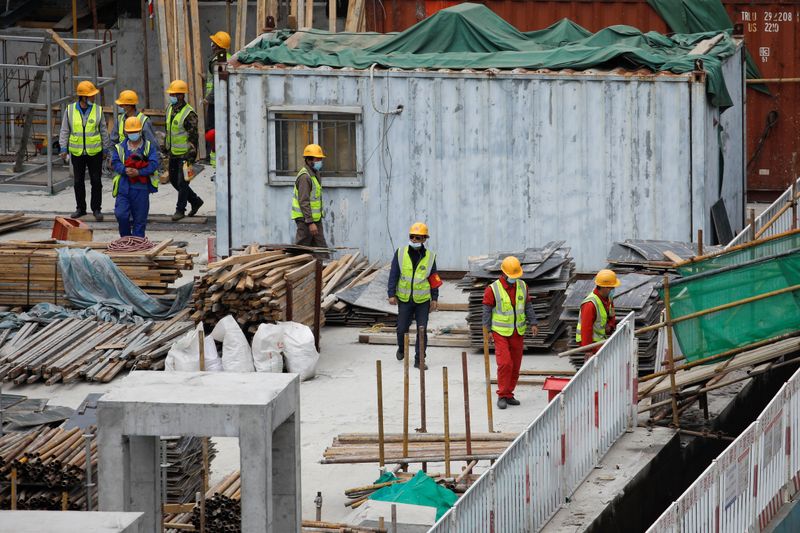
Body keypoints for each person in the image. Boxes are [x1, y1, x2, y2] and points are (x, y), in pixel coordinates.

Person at [482, 256, 539, 409]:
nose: (515, 279)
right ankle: (501, 394)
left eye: (517, 276)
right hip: (500, 332)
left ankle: (509, 394)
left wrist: (533, 322)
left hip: (517, 332)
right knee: (505, 364)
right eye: (512, 276)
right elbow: (486, 311)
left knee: (515, 366)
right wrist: (486, 330)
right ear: (504, 273)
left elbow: (528, 306)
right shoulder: (492, 289)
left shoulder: (522, 286)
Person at [387, 222, 442, 370]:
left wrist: (435, 298)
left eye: (418, 238)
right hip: (404, 299)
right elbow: (394, 274)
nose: (414, 240)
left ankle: (419, 360)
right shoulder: (400, 253)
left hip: (422, 301)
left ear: (424, 239)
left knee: (422, 330)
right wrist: (391, 293)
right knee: (401, 328)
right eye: (412, 237)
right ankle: (401, 348)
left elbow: (434, 279)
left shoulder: (430, 257)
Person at [58, 80, 111, 221]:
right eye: (91, 95)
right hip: (77, 153)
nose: (94, 98)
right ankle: (80, 208)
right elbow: (64, 130)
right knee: (78, 182)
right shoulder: (69, 110)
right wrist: (63, 148)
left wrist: (106, 149)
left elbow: (104, 131)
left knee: (96, 181)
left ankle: (96, 209)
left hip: (95, 153)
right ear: (83, 97)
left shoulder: (98, 110)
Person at [111, 117, 160, 238]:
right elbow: (115, 162)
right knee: (121, 215)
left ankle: (137, 244)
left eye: (135, 132)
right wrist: (124, 170)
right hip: (124, 187)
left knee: (140, 220)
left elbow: (154, 164)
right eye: (130, 132)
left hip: (141, 188)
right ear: (126, 132)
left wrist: (139, 172)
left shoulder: (148, 147)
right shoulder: (120, 148)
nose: (133, 134)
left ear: (140, 131)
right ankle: (126, 240)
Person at [165, 79, 203, 221]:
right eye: (171, 93)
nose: (172, 96)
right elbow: (169, 131)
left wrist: (190, 157)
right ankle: (195, 201)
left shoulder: (189, 114)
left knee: (183, 183)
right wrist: (166, 147)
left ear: (181, 95)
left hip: (185, 155)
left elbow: (193, 137)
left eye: (174, 94)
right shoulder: (170, 108)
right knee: (174, 181)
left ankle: (180, 210)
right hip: (173, 153)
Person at [576, 269, 620, 359]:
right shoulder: (590, 304)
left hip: (600, 339)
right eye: (612, 287)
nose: (613, 290)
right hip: (592, 342)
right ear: (605, 287)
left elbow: (612, 314)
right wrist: (588, 349)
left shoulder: (608, 298)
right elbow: (586, 328)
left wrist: (610, 325)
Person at [291, 144, 328, 247]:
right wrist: (310, 223)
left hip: (315, 220)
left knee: (320, 249)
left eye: (320, 159)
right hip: (305, 220)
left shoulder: (315, 173)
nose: (320, 161)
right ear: (308, 160)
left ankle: (321, 263)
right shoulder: (305, 177)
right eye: (317, 159)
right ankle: (299, 263)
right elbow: (304, 201)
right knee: (303, 250)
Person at [204, 31, 231, 162]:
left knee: (213, 132)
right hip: (224, 101)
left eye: (213, 43)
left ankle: (215, 160)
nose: (211, 45)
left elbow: (218, 83)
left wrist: (208, 99)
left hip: (216, 102)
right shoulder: (229, 57)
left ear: (218, 46)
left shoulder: (217, 62)